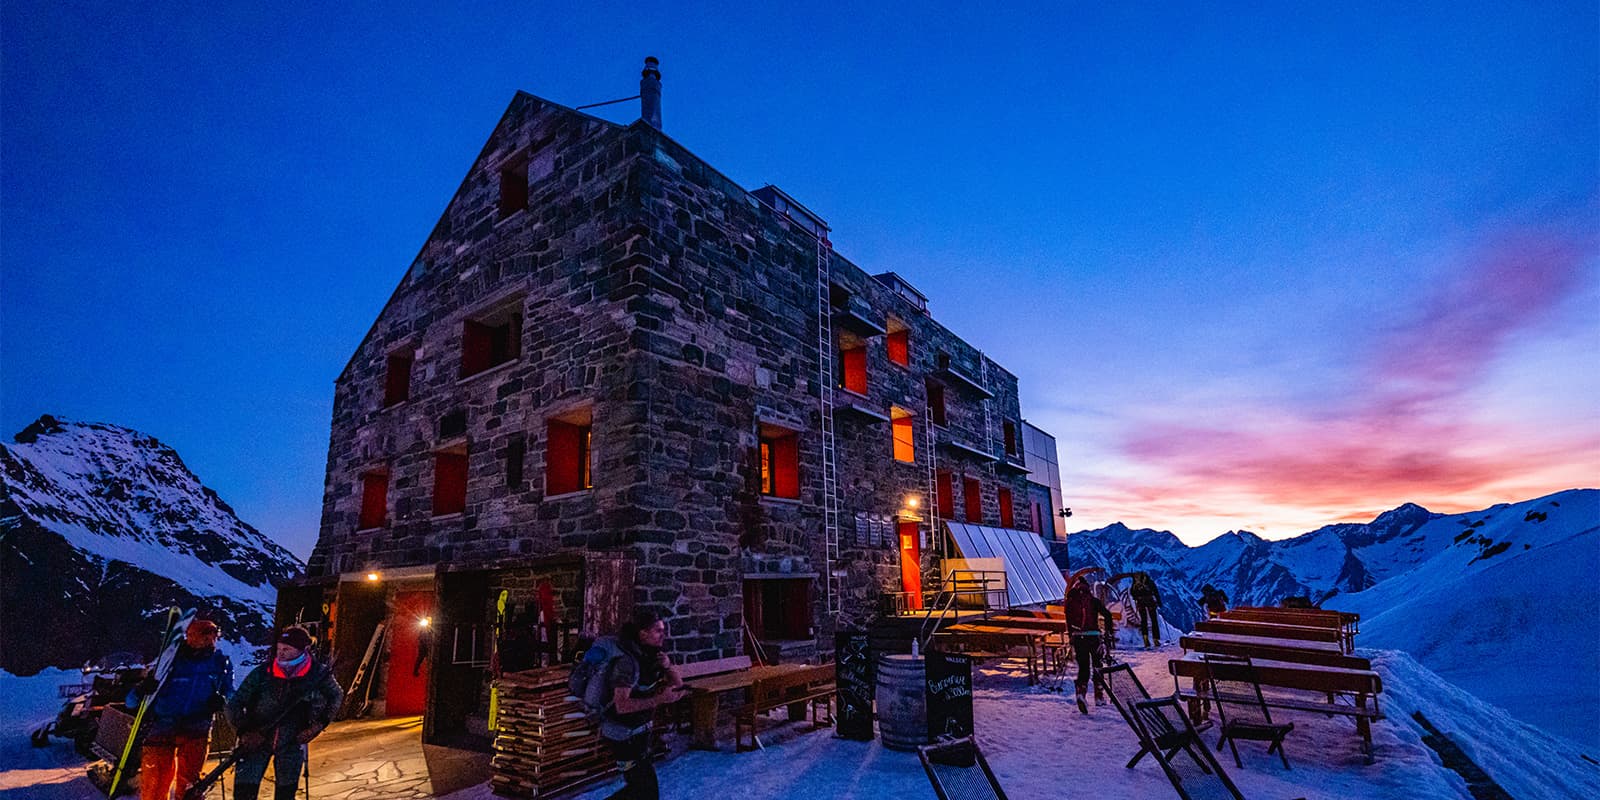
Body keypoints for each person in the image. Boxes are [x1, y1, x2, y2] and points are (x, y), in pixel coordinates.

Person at [227, 626, 343, 800]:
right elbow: (235, 703)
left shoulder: (318, 674)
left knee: (285, 794)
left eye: (287, 649)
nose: (281, 653)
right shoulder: (263, 673)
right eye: (279, 648)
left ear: (302, 650)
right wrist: (244, 732)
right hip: (255, 742)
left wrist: (319, 725)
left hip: (292, 742)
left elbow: (336, 696)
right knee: (244, 793)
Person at [126, 617, 233, 800]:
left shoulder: (221, 663)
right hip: (162, 724)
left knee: (190, 782)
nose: (210, 640)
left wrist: (222, 700)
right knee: (156, 780)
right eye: (204, 636)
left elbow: (229, 691)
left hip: (198, 725)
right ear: (189, 637)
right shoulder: (169, 660)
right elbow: (132, 700)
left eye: (214, 636)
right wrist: (142, 690)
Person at [599, 610, 686, 800]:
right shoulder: (627, 663)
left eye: (663, 630)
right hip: (622, 735)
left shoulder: (651, 656)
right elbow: (621, 705)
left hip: (638, 734)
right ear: (642, 634)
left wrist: (668, 666)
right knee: (645, 791)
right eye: (657, 631)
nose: (663, 635)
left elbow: (679, 686)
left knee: (641, 790)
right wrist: (659, 700)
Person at [1063, 578, 1114, 715]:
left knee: (1083, 668)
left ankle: (1081, 692)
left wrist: (1071, 637)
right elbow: (1107, 615)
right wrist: (1108, 632)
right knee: (1097, 665)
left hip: (1079, 638)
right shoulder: (1093, 601)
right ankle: (1099, 696)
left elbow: (1068, 622)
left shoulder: (1070, 602)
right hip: (1094, 637)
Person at [1130, 573, 1163, 648]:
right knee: (1154, 620)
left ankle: (1145, 639)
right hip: (1150, 602)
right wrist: (1159, 602)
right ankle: (1155, 639)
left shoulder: (1135, 583)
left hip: (1141, 603)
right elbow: (1156, 592)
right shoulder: (1150, 582)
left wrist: (1136, 598)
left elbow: (1132, 593)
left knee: (1143, 621)